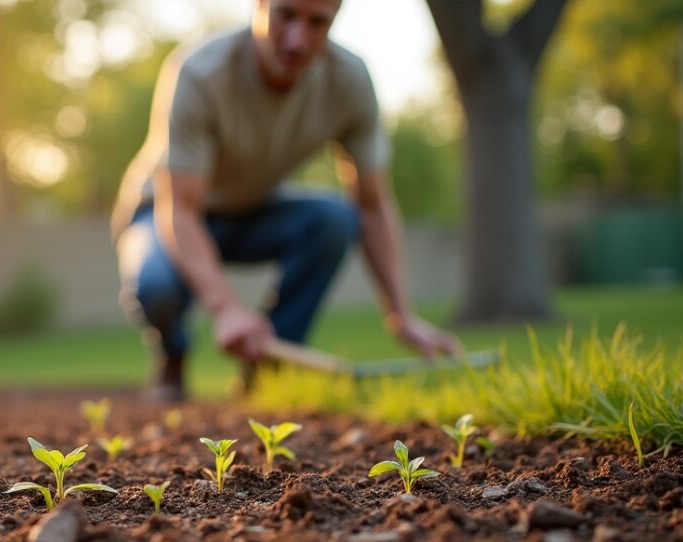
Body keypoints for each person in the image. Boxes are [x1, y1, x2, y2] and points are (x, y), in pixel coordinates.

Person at [112, 0, 461, 402]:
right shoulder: (199, 72)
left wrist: (402, 315)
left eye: (317, 23)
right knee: (156, 288)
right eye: (286, 15)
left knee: (333, 221)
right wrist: (226, 307)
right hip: (163, 211)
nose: (297, 40)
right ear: (260, 6)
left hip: (254, 210)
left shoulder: (349, 81)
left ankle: (266, 370)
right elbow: (182, 210)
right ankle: (172, 353)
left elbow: (371, 204)